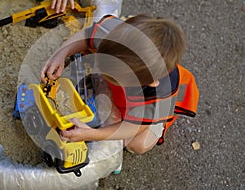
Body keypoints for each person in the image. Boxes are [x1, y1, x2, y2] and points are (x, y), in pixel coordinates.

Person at [40, 14, 199, 154]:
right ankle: (110, 89)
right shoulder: (117, 36)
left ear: (150, 83)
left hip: (147, 111)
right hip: (130, 85)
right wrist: (61, 54)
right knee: (103, 89)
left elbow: (136, 126)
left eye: (114, 76)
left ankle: (157, 126)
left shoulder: (161, 94)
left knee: (138, 145)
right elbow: (86, 36)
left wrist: (92, 134)